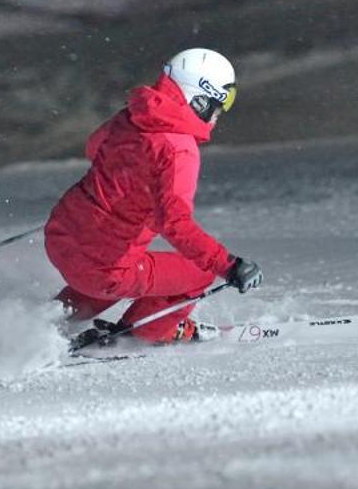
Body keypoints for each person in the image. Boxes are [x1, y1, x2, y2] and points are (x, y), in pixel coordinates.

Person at [45, 48, 262, 344]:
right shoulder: (179, 148)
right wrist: (229, 265)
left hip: (62, 236)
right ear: (199, 97)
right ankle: (143, 333)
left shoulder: (134, 115)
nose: (218, 116)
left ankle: (46, 324)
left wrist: (123, 190)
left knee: (102, 267)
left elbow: (94, 147)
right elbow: (174, 224)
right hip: (103, 268)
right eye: (221, 104)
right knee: (198, 273)